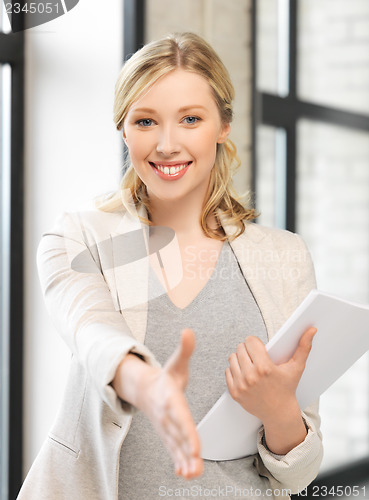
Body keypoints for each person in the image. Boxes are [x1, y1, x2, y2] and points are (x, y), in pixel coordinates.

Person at [17, 32, 323, 500]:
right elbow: (92, 331)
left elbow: (299, 475)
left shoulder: (284, 258)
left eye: (190, 119)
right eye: (145, 121)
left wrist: (280, 410)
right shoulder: (79, 238)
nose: (166, 144)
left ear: (223, 125)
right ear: (123, 128)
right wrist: (145, 383)